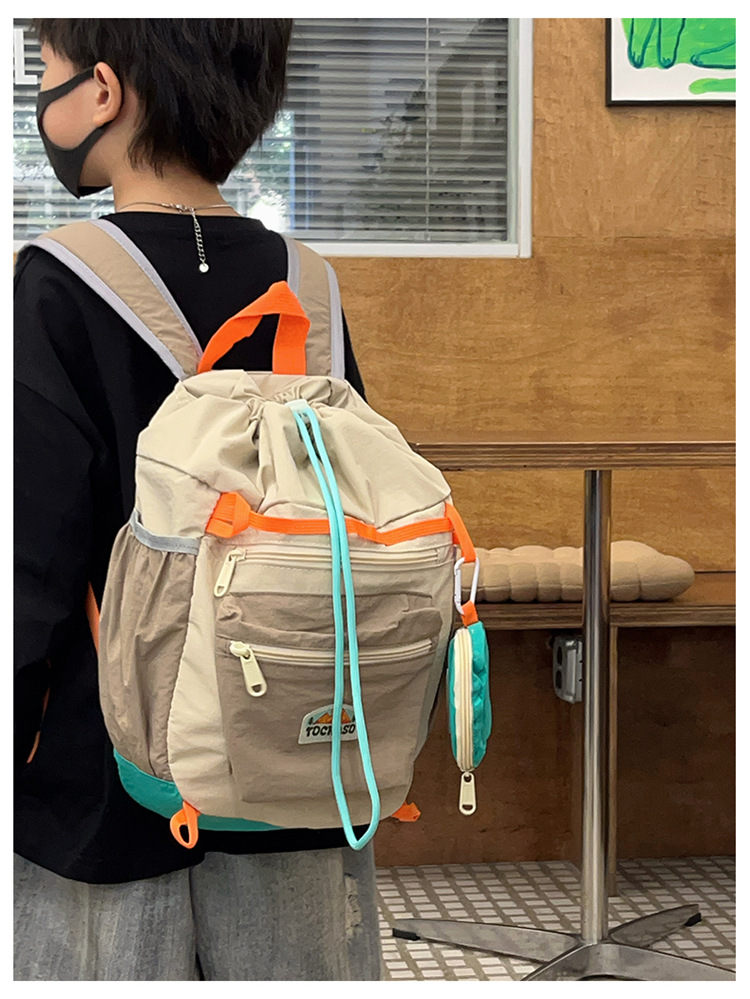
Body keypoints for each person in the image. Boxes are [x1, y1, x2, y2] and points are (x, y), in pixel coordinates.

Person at [14, 19, 383, 981]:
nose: (40, 97)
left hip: (107, 782)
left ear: (104, 91)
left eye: (44, 70)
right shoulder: (311, 287)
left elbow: (30, 561)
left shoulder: (57, 283)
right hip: (299, 769)